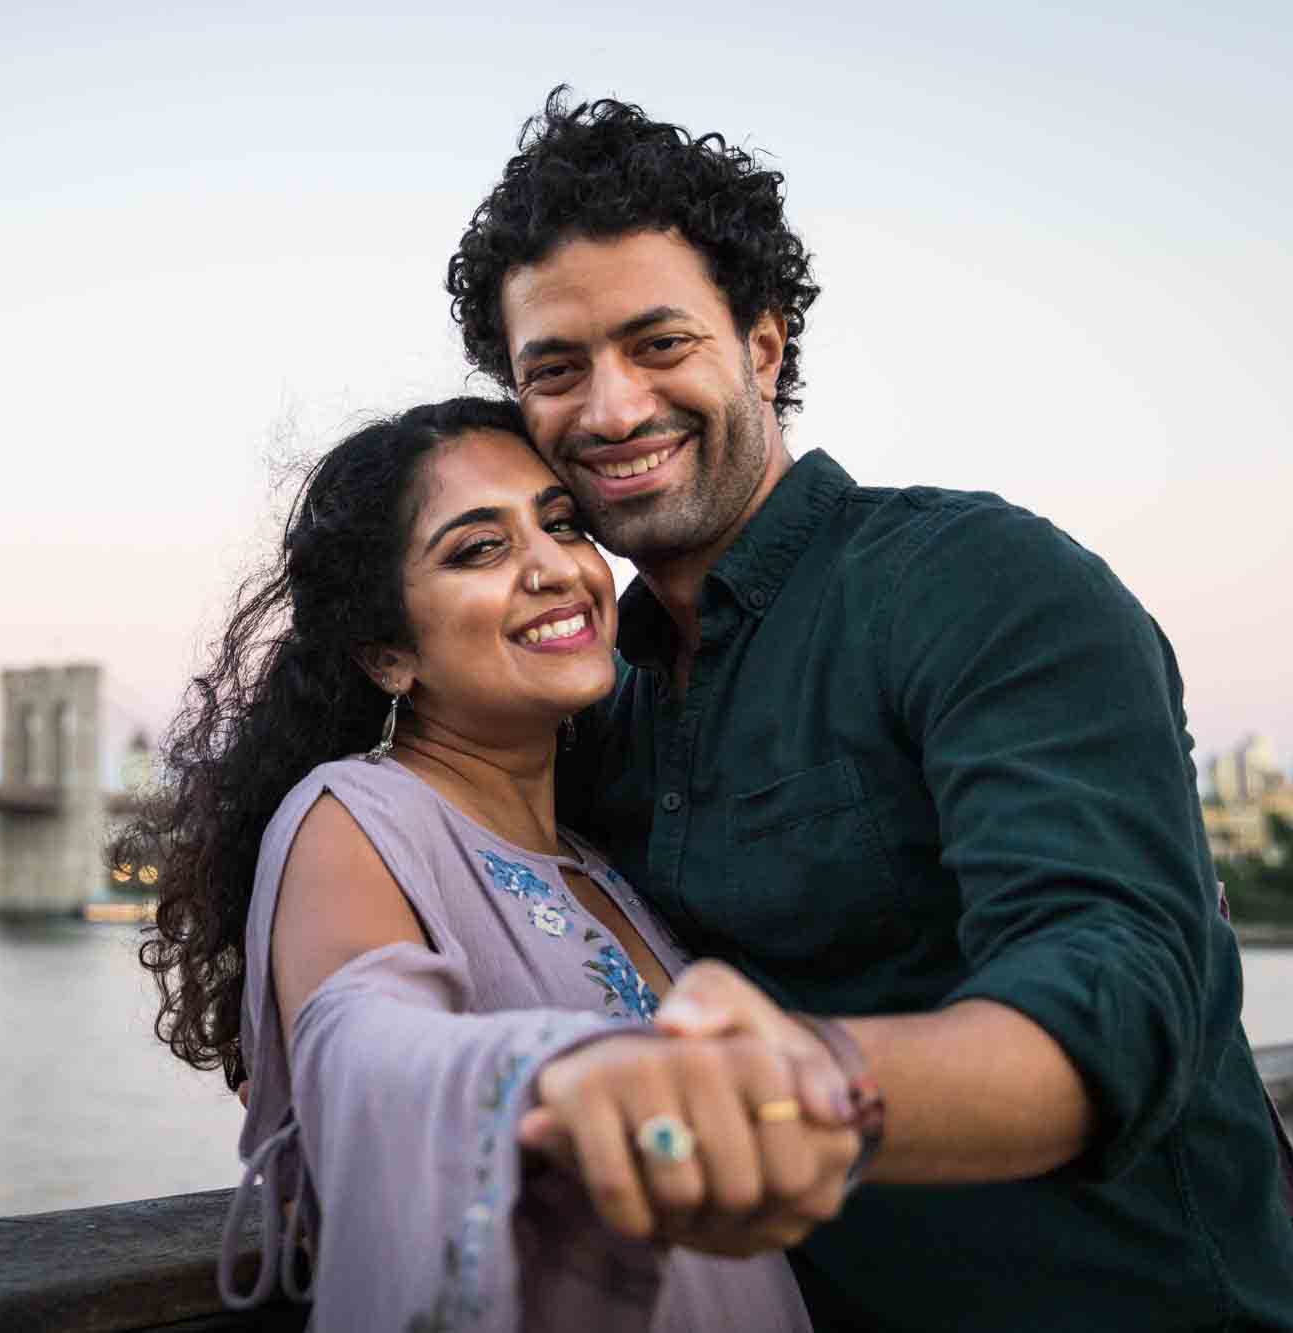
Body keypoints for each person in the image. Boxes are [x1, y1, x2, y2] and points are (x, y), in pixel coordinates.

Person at [442, 91, 1293, 1332]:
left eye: (657, 345)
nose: (606, 409)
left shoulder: (979, 583)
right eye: (555, 370)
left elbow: (1116, 985)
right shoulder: (601, 702)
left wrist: (814, 1084)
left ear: (760, 347)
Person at [121, 397, 846, 1330]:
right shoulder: (355, 815)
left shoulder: (597, 861)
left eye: (561, 523)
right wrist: (546, 1077)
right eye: (479, 550)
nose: (553, 566)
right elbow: (361, 1038)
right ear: (388, 655)